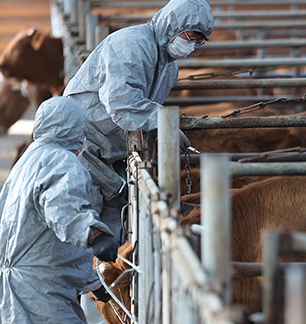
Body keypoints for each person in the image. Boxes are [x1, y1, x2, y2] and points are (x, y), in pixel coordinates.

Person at [63, 0, 214, 245]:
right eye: (190, 36)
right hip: (82, 143)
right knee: (83, 221)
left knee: (116, 215)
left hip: (113, 151)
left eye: (199, 40)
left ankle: (107, 277)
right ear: (171, 24)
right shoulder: (131, 44)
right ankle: (83, 278)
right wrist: (163, 124)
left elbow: (142, 113)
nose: (192, 45)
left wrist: (162, 131)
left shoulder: (169, 68)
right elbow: (122, 103)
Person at [0, 97, 119, 324]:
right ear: (77, 132)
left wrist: (93, 283)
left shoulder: (29, 160)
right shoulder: (61, 162)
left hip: (2, 289)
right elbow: (63, 209)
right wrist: (95, 234)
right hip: (36, 296)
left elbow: (41, 241)